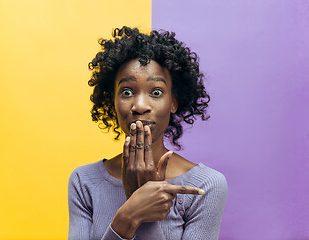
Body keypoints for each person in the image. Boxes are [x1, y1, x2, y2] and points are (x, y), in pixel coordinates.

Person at [68, 26, 227, 240]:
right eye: (127, 92)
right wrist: (128, 215)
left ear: (173, 102)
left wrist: (147, 215)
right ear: (112, 101)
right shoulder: (84, 181)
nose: (140, 105)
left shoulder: (206, 185)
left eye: (156, 92)